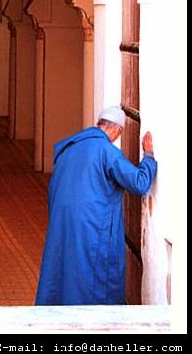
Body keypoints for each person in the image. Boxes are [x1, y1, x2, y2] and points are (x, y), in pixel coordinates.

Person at [35, 106, 157, 305]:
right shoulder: (107, 151)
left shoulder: (70, 148)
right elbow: (140, 183)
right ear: (117, 130)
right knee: (93, 279)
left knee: (64, 272)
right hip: (92, 227)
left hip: (63, 224)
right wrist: (149, 156)